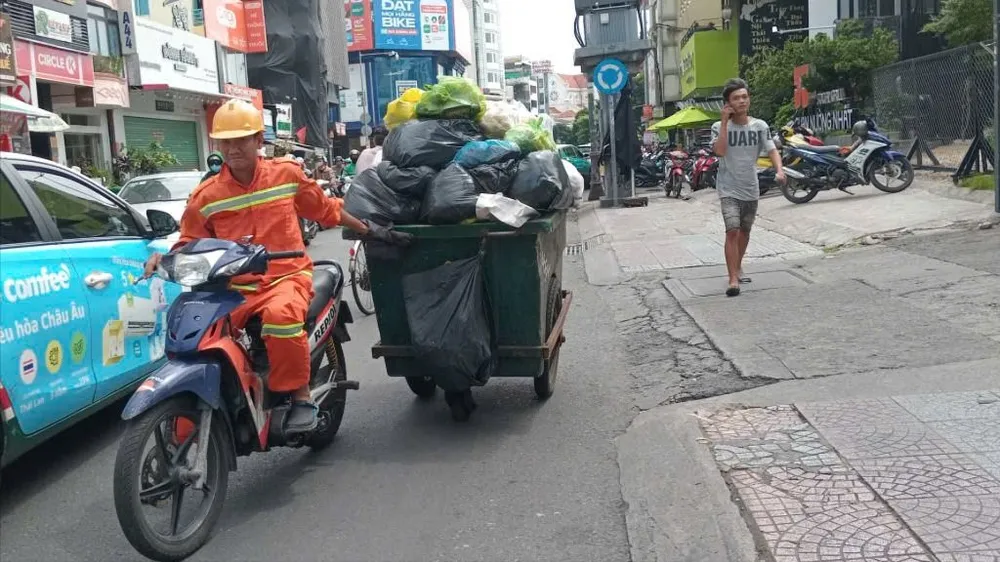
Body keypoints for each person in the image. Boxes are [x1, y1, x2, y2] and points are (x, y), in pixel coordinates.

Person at [142, 99, 411, 433]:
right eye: (226, 142)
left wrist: (369, 229)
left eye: (241, 139)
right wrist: (165, 256)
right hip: (235, 287)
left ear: (258, 141)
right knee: (197, 332)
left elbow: (324, 209)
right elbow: (190, 240)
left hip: (287, 276)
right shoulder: (206, 196)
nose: (234, 148)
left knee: (281, 319)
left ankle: (299, 396)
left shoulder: (286, 174)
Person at [711, 78, 785, 297]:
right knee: (732, 230)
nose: (741, 101)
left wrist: (779, 170)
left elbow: (772, 150)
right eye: (736, 98)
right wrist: (724, 123)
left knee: (745, 230)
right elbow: (720, 151)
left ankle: (738, 265)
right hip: (728, 188)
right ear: (727, 103)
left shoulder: (760, 126)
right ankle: (733, 279)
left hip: (751, 187)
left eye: (744, 97)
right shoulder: (718, 127)